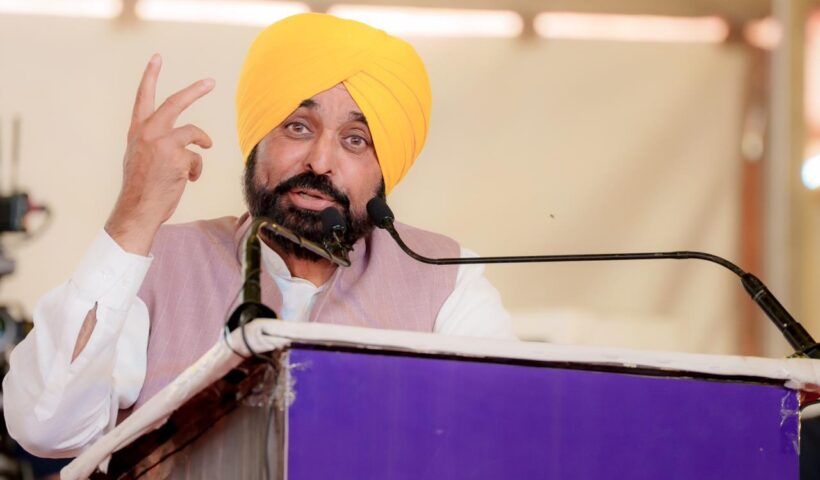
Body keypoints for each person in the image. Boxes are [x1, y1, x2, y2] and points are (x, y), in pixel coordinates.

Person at [2, 13, 514, 458]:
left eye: (355, 140)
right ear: (256, 142)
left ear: (385, 173)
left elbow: (503, 436)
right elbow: (46, 427)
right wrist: (134, 216)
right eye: (298, 127)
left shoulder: (445, 280)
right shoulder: (157, 262)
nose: (320, 161)